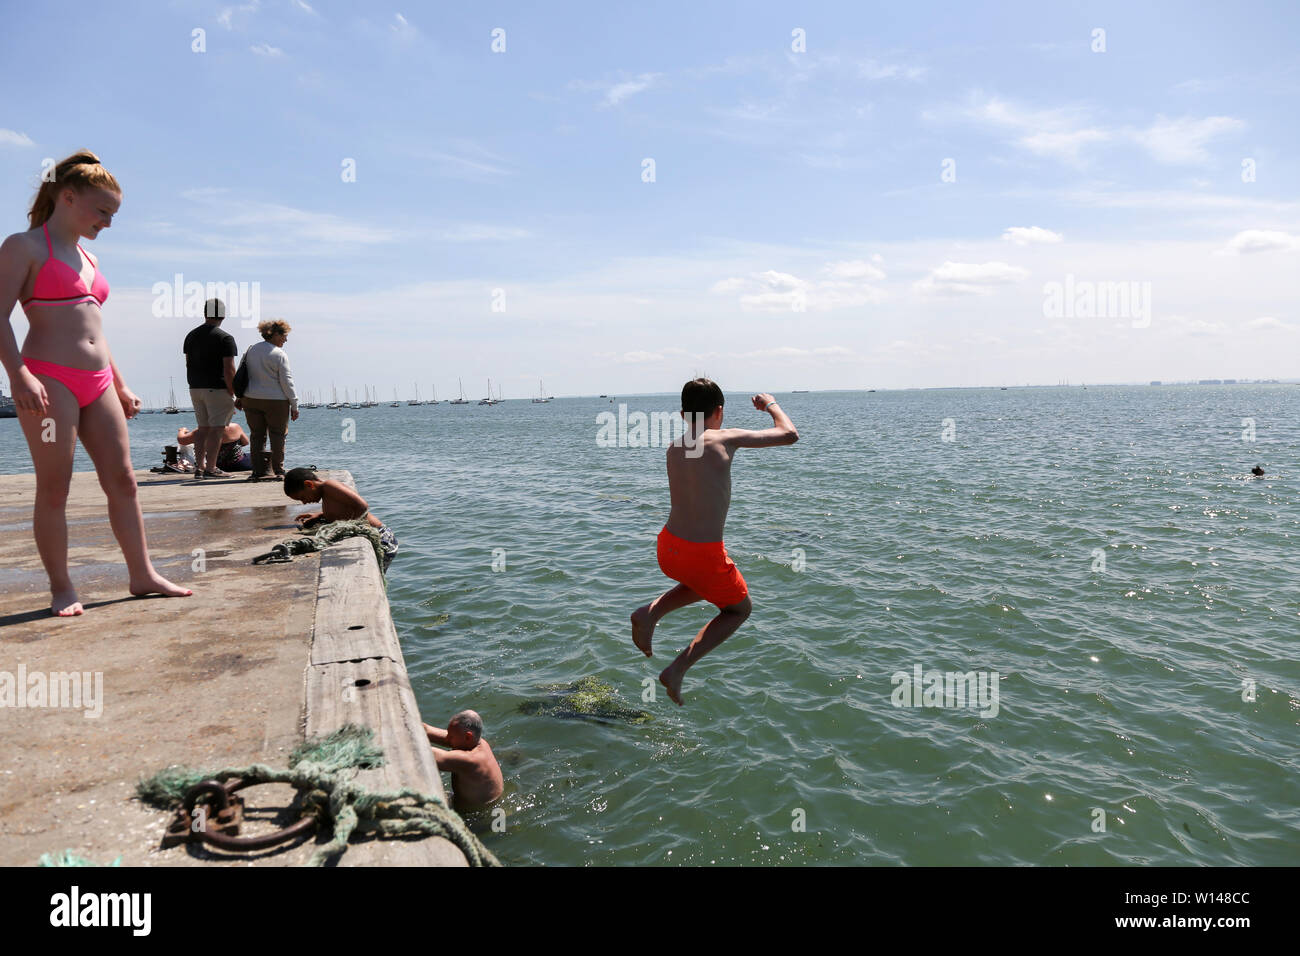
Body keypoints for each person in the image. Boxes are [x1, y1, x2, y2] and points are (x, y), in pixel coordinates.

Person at [0, 150, 191, 615]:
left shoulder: (90, 255)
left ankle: (142, 574)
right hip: (49, 379)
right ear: (68, 198)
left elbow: (95, 330)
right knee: (55, 486)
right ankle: (62, 587)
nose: (108, 222)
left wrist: (120, 384)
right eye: (102, 211)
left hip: (100, 380)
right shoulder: (24, 246)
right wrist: (18, 374)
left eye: (113, 214)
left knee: (124, 480)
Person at [630, 379, 798, 705]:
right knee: (739, 610)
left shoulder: (674, 447)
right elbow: (789, 434)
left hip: (668, 547)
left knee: (703, 584)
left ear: (683, 415)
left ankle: (651, 613)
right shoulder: (724, 437)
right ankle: (677, 668)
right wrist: (770, 404)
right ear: (719, 411)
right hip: (702, 555)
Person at [283, 466, 399, 572]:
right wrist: (320, 515)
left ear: (309, 484)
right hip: (382, 538)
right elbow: (342, 511)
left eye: (302, 497)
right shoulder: (326, 493)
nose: (304, 502)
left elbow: (362, 506)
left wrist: (351, 527)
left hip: (383, 537)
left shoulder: (329, 486)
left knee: (372, 572)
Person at [181, 297, 238, 478]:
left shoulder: (191, 336)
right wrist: (234, 391)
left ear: (205, 313)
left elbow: (188, 363)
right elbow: (229, 369)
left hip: (195, 387)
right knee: (217, 429)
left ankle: (200, 467)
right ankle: (211, 468)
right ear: (223, 315)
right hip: (217, 388)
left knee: (202, 428)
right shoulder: (225, 338)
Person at [236, 318, 298, 480]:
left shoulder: (251, 350)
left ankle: (258, 470)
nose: (286, 339)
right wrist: (294, 404)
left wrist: (239, 397)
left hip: (250, 398)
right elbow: (287, 381)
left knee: (257, 435)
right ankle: (278, 470)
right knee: (277, 435)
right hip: (276, 400)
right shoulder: (279, 354)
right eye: (284, 336)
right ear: (276, 334)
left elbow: (241, 375)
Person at [422, 711, 504, 809]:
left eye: (451, 736)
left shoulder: (471, 760)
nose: (447, 739)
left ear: (468, 736)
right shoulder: (477, 742)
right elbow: (426, 730)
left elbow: (426, 753)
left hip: (475, 814)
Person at [176, 422, 251, 472]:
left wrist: (181, 431)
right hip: (240, 464)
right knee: (253, 455)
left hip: (216, 465)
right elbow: (246, 442)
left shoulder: (201, 431)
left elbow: (182, 440)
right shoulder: (235, 426)